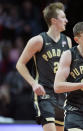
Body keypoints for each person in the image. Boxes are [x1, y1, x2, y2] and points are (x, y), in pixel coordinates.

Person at [16, 2, 72, 131]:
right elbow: (20, 64)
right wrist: (33, 84)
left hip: (62, 94)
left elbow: (69, 69)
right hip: (44, 93)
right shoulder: (38, 40)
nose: (66, 20)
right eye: (63, 17)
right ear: (54, 20)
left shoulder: (67, 41)